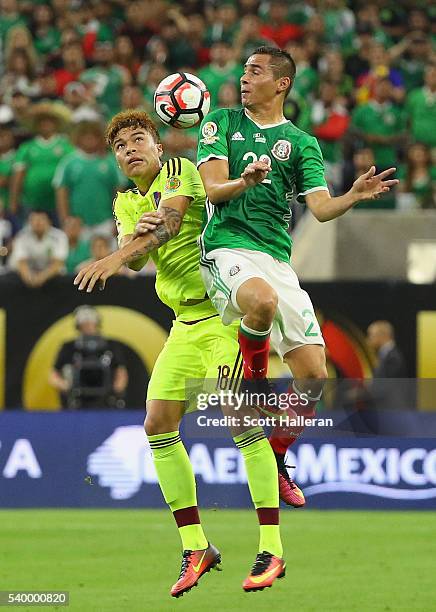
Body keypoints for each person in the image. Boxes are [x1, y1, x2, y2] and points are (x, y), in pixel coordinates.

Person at [73, 110, 285, 596]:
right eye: (120, 145)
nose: (129, 149)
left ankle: (271, 545)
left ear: (158, 145)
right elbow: (141, 255)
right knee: (157, 423)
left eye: (138, 139)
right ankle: (196, 547)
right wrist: (132, 243)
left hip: (222, 316)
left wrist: (117, 254)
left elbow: (168, 226)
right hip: (184, 326)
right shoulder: (126, 200)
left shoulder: (181, 172)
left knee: (242, 421)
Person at [196, 46, 399, 505]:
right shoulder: (222, 123)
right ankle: (254, 381)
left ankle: (277, 454)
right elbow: (212, 188)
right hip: (227, 245)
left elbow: (321, 209)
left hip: (276, 258)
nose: (244, 78)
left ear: (281, 83)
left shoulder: (303, 143)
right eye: (244, 70)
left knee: (313, 374)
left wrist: (351, 194)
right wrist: (245, 182)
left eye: (255, 71)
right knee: (261, 303)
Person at [49, 305, 128, 409]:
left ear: (97, 324)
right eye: (84, 325)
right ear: (78, 326)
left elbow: (121, 371)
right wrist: (66, 386)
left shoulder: (111, 346)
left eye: (90, 324)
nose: (88, 327)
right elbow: (53, 375)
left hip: (106, 402)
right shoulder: (68, 347)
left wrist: (116, 389)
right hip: (76, 402)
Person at [9, 209, 68, 287]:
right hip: (25, 278)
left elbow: (58, 263)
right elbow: (21, 262)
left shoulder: (59, 236)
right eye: (34, 220)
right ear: (29, 222)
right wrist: (30, 278)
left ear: (49, 222)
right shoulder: (21, 236)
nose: (37, 223)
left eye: (41, 220)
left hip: (52, 278)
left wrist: (41, 278)